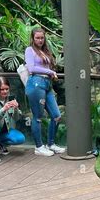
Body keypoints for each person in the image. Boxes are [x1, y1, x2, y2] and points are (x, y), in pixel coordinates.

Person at [25, 28, 65, 156]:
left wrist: (51, 74)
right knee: (37, 117)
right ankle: (39, 147)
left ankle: (51, 144)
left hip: (47, 84)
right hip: (36, 84)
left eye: (42, 38)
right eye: (37, 38)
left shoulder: (45, 51)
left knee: (56, 116)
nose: (40, 40)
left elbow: (45, 67)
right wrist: (50, 72)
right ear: (33, 38)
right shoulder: (29, 50)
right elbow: (31, 68)